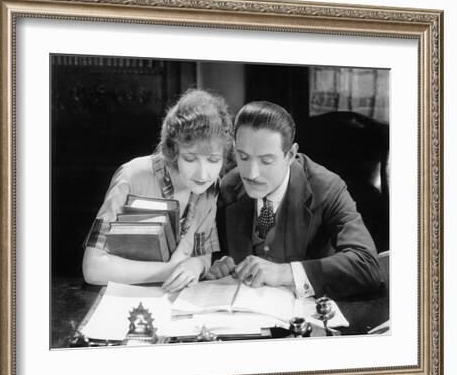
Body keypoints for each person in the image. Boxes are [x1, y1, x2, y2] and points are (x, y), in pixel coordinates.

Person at [206, 101, 382, 300]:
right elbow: (212, 250)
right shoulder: (228, 186)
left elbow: (367, 265)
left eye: (266, 161)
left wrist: (284, 273)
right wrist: (218, 264)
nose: (252, 174)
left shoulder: (326, 187)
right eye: (244, 157)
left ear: (290, 155)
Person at [82, 89, 233, 293]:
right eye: (190, 158)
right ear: (173, 150)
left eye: (214, 160)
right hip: (120, 301)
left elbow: (202, 252)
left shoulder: (210, 187)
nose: (203, 173)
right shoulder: (132, 176)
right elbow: (93, 269)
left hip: (180, 303)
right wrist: (169, 270)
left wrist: (197, 265)